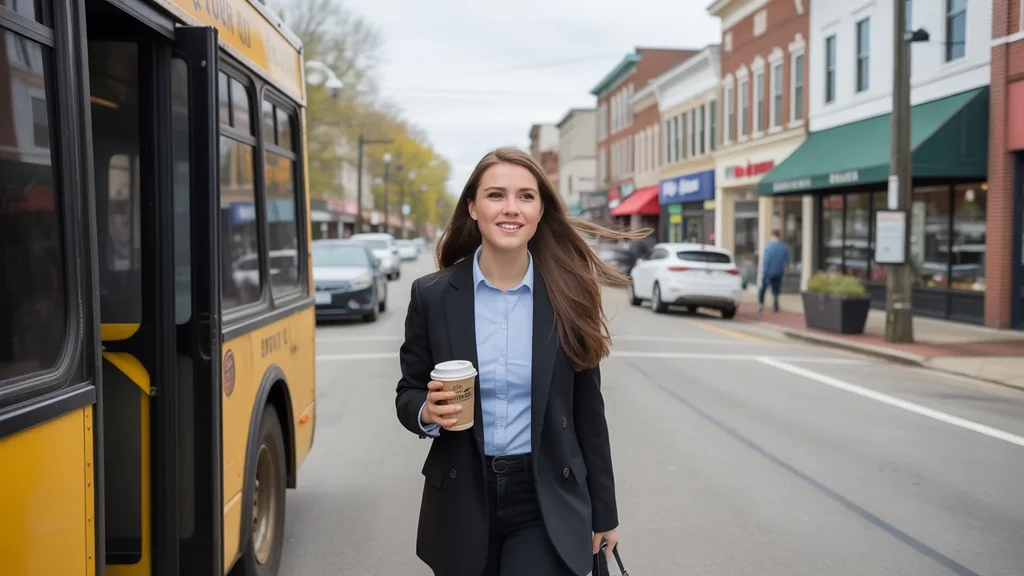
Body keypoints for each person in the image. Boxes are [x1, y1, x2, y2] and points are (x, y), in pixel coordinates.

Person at [395, 147, 647, 576]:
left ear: (540, 209)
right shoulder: (432, 295)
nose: (511, 208)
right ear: (473, 207)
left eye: (526, 196)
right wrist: (426, 411)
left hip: (544, 493)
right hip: (461, 495)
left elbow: (589, 412)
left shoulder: (570, 294)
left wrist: (604, 512)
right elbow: (408, 390)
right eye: (496, 195)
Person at [759, 229, 790, 312]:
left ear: (772, 235)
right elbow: (786, 259)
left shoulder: (769, 246)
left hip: (768, 271)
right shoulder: (784, 247)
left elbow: (766, 260)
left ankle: (761, 304)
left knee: (763, 288)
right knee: (776, 288)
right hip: (779, 271)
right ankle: (775, 302)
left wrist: (763, 271)